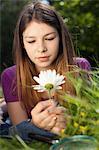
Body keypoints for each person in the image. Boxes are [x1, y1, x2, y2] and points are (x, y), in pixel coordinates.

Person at [0, 1, 91, 141]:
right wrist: (33, 124)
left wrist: (69, 124)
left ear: (60, 38)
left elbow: (88, 119)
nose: (41, 48)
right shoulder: (11, 76)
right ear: (22, 43)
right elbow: (19, 130)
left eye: (49, 38)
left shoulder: (79, 68)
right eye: (31, 41)